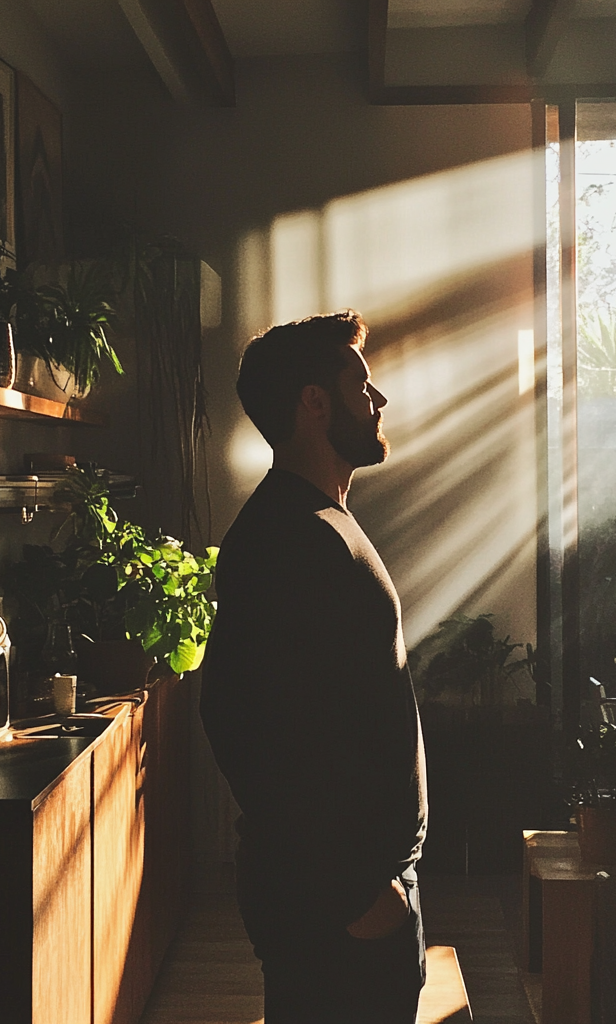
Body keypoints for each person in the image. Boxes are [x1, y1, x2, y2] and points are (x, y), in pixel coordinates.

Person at [200, 310, 428, 1024]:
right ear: (314, 402)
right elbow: (242, 724)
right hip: (337, 906)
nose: (378, 399)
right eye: (361, 383)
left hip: (361, 892)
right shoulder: (284, 538)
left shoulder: (322, 520)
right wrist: (356, 891)